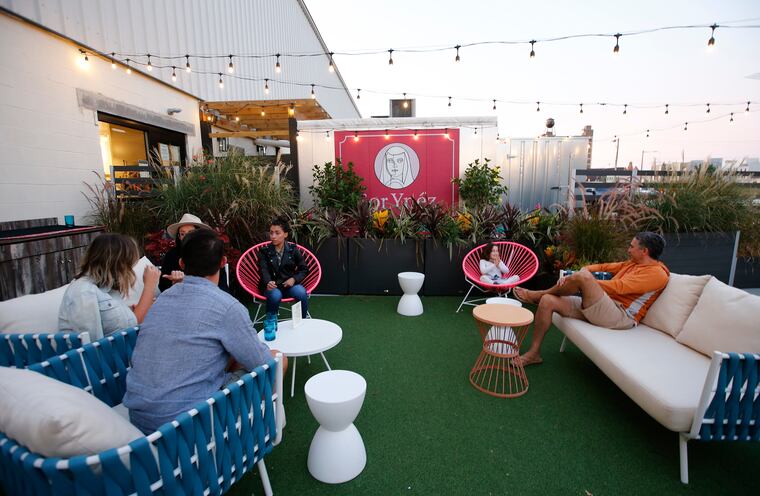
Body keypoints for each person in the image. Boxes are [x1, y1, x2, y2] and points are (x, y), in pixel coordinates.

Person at [124, 229, 282, 435]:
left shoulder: (163, 299)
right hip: (187, 425)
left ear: (181, 264)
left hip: (141, 419)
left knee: (232, 355)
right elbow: (263, 363)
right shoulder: (227, 307)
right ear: (223, 262)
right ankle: (258, 433)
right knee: (277, 359)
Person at [513, 232, 670, 366]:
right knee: (548, 300)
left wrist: (583, 280)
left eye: (632, 246)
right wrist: (582, 273)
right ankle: (534, 353)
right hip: (602, 306)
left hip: (620, 316)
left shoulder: (656, 274)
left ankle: (537, 294)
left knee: (581, 279)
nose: (628, 250)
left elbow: (619, 287)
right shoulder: (632, 263)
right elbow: (604, 267)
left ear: (644, 251)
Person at [59, 233, 160, 340]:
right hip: (115, 354)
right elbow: (92, 346)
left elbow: (122, 324)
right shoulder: (84, 292)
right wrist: (149, 286)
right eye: (129, 266)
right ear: (118, 264)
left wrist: (128, 312)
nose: (130, 271)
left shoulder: (106, 289)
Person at [159, 213, 229, 293]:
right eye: (182, 234)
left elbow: (223, 288)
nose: (186, 237)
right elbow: (163, 286)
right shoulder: (171, 256)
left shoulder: (212, 251)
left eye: (190, 233)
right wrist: (176, 283)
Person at [259, 217, 309, 320]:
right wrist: (268, 282)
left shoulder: (293, 250)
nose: (273, 236)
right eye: (271, 233)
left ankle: (302, 322)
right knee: (275, 295)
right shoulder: (264, 251)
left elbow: (304, 269)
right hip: (271, 287)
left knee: (301, 292)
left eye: (277, 233)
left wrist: (294, 279)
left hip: (288, 286)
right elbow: (263, 270)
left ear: (285, 234)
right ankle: (271, 323)